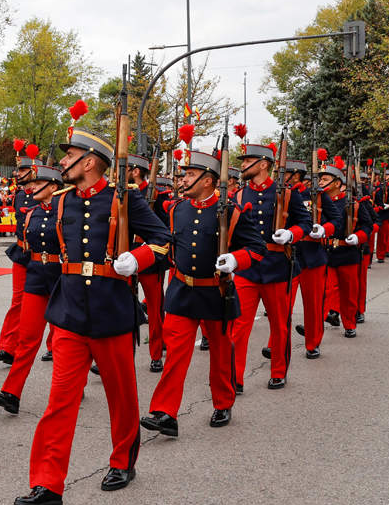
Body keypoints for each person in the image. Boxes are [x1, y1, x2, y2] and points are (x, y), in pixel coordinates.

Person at [15, 129, 171, 505]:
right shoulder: (61, 201)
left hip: (111, 311)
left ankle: (122, 461)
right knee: (59, 402)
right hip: (69, 312)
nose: (62, 163)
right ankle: (48, 483)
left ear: (88, 162)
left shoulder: (125, 199)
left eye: (69, 157)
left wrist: (139, 257)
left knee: (121, 398)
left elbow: (164, 240)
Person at [140, 150, 265, 437]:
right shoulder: (177, 209)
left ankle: (223, 403)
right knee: (175, 356)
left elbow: (256, 248)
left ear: (209, 181)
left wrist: (236, 259)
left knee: (221, 355)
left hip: (217, 292)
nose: (185, 179)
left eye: (191, 175)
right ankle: (165, 412)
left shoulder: (231, 212)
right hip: (183, 291)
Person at [227, 143, 312, 392]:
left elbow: (306, 222)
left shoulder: (286, 193)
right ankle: (235, 378)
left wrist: (291, 233)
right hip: (248, 268)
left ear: (263, 164)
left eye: (247, 161)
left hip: (277, 267)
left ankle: (278, 371)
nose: (242, 165)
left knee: (279, 324)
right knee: (239, 326)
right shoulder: (240, 195)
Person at [0, 165, 65, 415]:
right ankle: (12, 392)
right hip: (36, 277)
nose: (31, 187)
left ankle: (74, 385)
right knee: (27, 337)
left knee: (65, 338)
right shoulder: (32, 212)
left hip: (62, 280)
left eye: (37, 183)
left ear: (53, 187)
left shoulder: (67, 211)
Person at [286, 158, 341, 359]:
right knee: (283, 306)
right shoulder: (278, 195)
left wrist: (324, 230)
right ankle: (276, 345)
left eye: (285, 174)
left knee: (313, 304)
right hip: (287, 255)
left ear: (296, 176)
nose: (280, 178)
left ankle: (313, 342)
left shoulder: (315, 195)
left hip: (311, 255)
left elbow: (337, 219)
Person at [0, 152, 38, 365]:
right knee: (17, 302)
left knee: (53, 302)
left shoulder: (49, 194)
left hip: (42, 256)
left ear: (34, 171)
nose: (17, 174)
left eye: (22, 170)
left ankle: (53, 348)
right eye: (18, 170)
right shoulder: (18, 195)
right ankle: (9, 348)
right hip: (21, 254)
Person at [321, 158, 375, 338]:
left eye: (324, 179)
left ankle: (349, 324)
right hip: (325, 252)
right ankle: (316, 324)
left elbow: (368, 225)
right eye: (320, 179)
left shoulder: (353, 203)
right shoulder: (318, 203)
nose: (320, 182)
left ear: (337, 183)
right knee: (324, 292)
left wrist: (358, 237)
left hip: (348, 252)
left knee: (349, 292)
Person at [128, 153, 170, 373]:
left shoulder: (159, 196)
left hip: (150, 257)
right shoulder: (122, 193)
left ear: (135, 171)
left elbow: (164, 233)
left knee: (154, 308)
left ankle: (155, 354)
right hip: (125, 257)